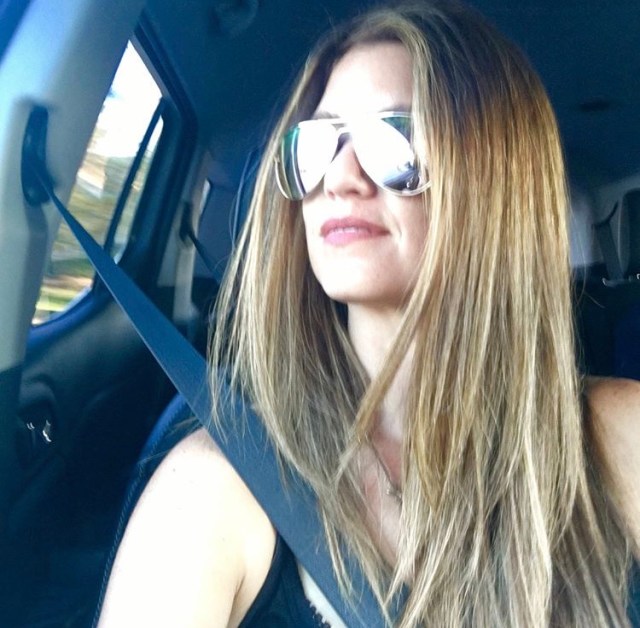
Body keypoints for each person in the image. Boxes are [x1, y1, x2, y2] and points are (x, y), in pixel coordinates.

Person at [98, 1, 640, 626]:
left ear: (496, 181)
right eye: (317, 143)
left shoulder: (619, 437)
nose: (340, 178)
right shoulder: (213, 490)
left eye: (394, 140)